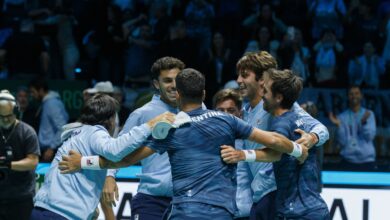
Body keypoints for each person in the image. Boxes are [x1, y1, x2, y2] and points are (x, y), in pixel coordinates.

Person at [59, 68, 309, 219]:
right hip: (221, 212)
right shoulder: (226, 120)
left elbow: (125, 160)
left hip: (185, 212)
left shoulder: (169, 129)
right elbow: (275, 141)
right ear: (203, 94)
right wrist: (299, 149)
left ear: (177, 95)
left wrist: (82, 161)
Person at [30, 94, 175, 220]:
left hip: (44, 210)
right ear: (111, 119)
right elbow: (115, 151)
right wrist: (150, 125)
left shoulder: (78, 134)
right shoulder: (94, 132)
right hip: (59, 214)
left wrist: (89, 209)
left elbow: (83, 174)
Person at [221, 69, 330, 219]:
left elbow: (275, 150)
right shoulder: (300, 118)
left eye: (265, 91)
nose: (262, 95)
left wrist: (241, 154)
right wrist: (308, 141)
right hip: (316, 208)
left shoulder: (281, 123)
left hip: (297, 212)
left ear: (278, 97)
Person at [102, 56, 185, 220]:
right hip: (151, 200)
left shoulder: (196, 107)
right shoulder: (143, 113)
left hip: (186, 202)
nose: (174, 85)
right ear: (156, 84)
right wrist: (109, 176)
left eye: (177, 80)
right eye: (167, 80)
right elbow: (118, 148)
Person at [0, 90, 40, 220]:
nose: (5, 119)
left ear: (16, 111)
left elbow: (33, 161)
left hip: (21, 197)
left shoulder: (27, 132)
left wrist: (8, 164)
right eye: (1, 116)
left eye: (9, 116)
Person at [212, 88, 251, 220]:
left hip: (246, 212)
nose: (226, 115)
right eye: (220, 111)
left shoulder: (250, 141)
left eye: (231, 110)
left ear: (240, 113)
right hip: (216, 213)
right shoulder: (204, 141)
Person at [329, 85, 377, 171]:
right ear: (347, 97)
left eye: (356, 93)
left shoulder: (369, 114)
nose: (354, 96)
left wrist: (364, 123)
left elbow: (369, 137)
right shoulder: (342, 117)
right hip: (348, 160)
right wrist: (339, 126)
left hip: (367, 161)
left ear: (361, 96)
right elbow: (342, 142)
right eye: (351, 94)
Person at [29, 78, 69, 162]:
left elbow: (63, 127)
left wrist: (52, 148)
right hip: (47, 150)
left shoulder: (52, 103)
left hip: (51, 151)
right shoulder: (47, 103)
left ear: (41, 90)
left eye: (33, 92)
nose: (32, 95)